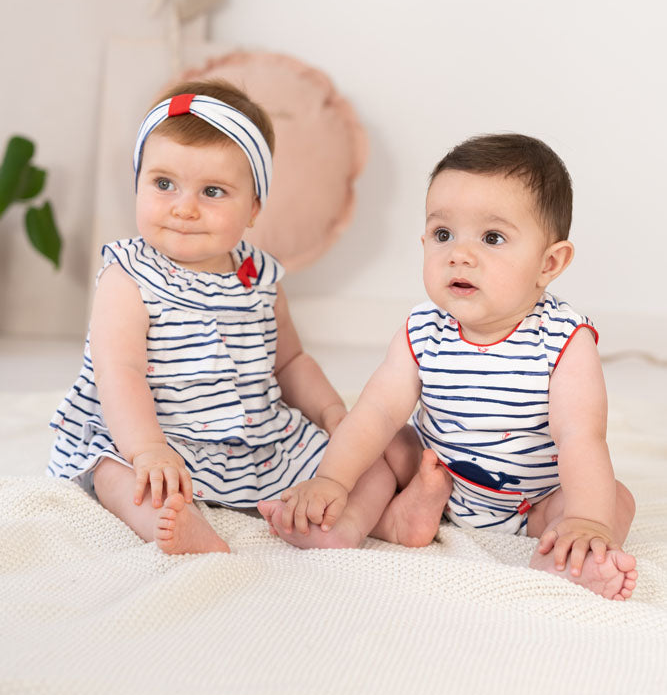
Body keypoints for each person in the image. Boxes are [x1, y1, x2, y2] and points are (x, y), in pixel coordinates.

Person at [259, 134, 638, 601]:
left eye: (492, 238)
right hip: (433, 473)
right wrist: (332, 479)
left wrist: (586, 518)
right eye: (443, 235)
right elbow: (378, 409)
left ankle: (564, 557)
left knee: (613, 499)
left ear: (549, 263)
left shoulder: (564, 341)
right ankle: (350, 523)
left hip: (531, 502)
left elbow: (580, 437)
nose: (459, 254)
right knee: (382, 443)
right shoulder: (423, 329)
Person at [48, 79, 405, 555]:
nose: (184, 208)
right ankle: (179, 526)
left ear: (253, 207)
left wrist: (331, 413)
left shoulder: (259, 276)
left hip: (258, 441)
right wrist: (147, 449)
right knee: (117, 476)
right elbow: (120, 373)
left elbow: (290, 363)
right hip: (156, 434)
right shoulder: (128, 276)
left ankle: (349, 525)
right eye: (163, 184)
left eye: (212, 191)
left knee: (367, 463)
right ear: (138, 181)